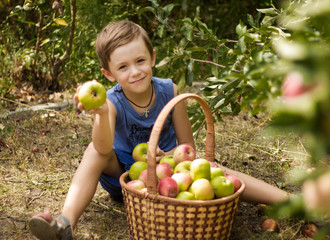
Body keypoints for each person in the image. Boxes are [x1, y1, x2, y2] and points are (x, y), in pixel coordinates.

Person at [29, 20, 289, 240]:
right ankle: (65, 223)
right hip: (125, 179)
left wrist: (168, 156)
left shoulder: (169, 91)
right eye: (123, 67)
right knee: (94, 152)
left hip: (169, 178)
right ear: (108, 74)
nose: (135, 71)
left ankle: (289, 201)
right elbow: (103, 149)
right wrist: (102, 113)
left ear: (152, 57)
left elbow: (189, 148)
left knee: (212, 168)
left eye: (140, 60)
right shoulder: (111, 101)